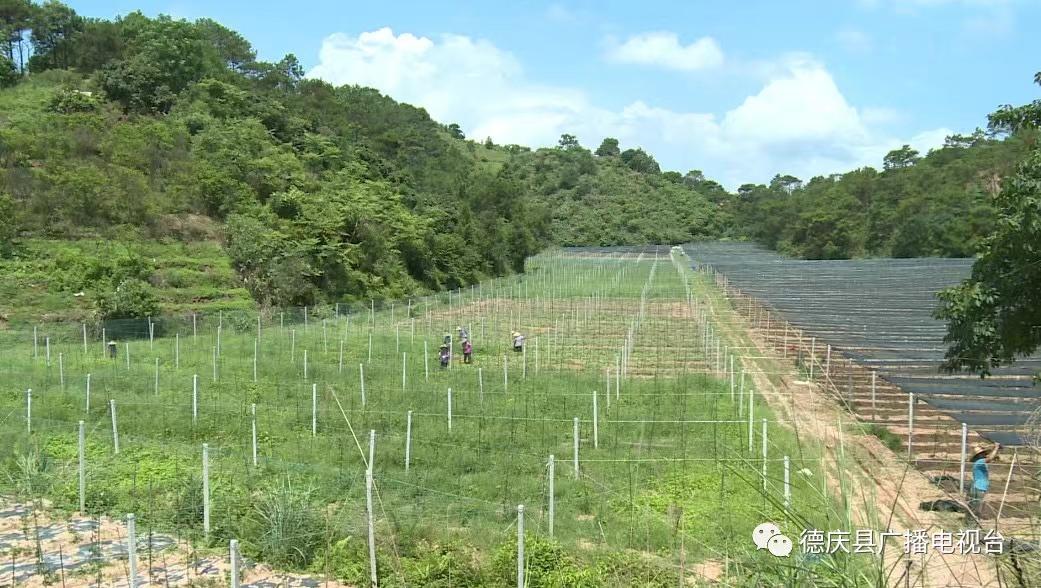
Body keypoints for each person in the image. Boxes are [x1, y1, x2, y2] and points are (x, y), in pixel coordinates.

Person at [967, 442, 1001, 523]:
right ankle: (971, 523)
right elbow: (990, 458)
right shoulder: (979, 462)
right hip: (978, 488)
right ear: (978, 456)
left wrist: (996, 449)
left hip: (979, 487)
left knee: (977, 506)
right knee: (976, 506)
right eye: (982, 453)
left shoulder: (980, 463)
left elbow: (993, 457)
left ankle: (973, 522)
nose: (985, 454)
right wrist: (996, 448)